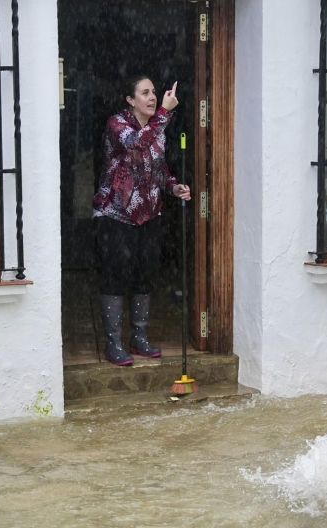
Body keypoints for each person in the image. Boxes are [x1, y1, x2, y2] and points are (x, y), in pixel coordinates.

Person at [92, 76, 192, 366]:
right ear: (130, 100)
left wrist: (174, 187)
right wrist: (164, 113)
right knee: (115, 276)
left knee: (144, 275)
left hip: (149, 215)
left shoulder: (157, 129)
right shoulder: (117, 124)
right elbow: (136, 144)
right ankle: (113, 344)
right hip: (115, 215)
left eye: (154, 92)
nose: (152, 97)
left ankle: (140, 338)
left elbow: (158, 168)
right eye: (145, 93)